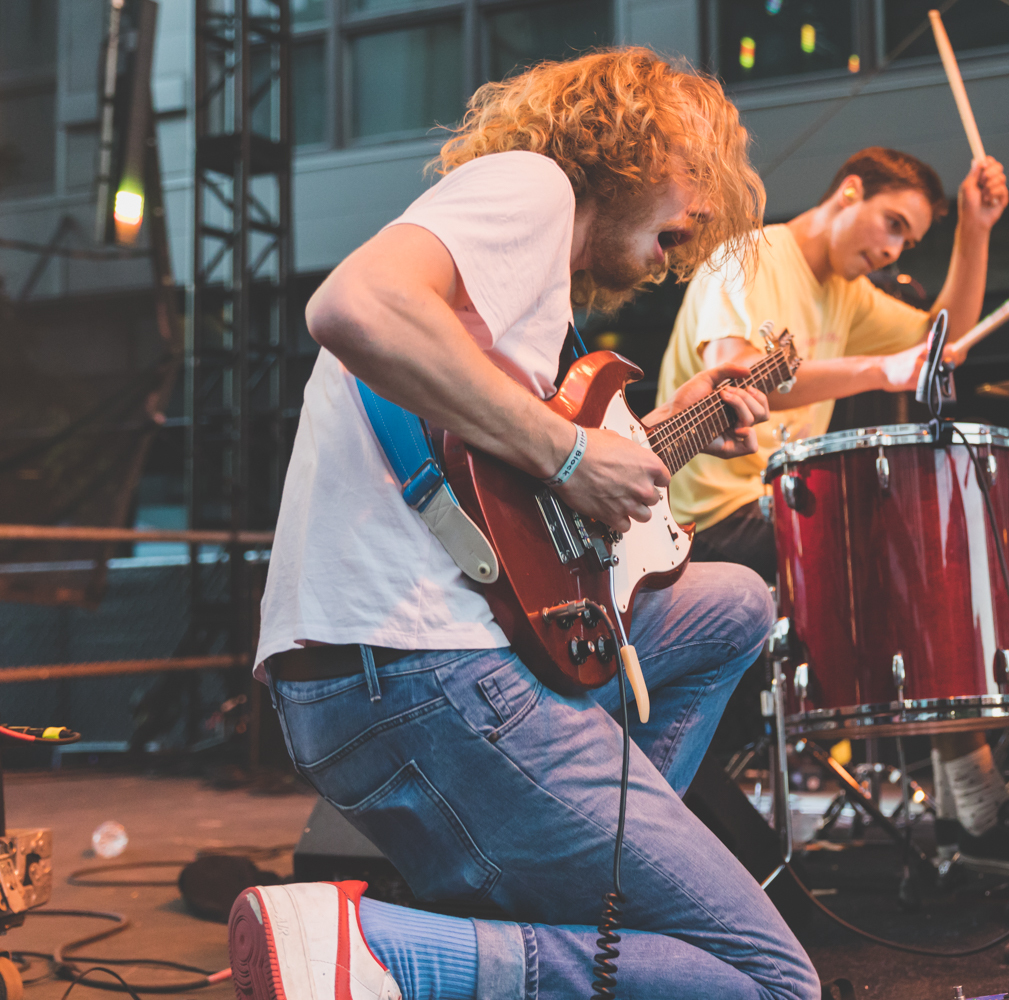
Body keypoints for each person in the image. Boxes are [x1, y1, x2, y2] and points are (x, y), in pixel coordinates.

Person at [227, 49, 830, 1000]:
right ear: (632, 141)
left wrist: (671, 424)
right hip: (424, 670)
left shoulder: (522, 304)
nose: (707, 209)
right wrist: (575, 457)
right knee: (770, 981)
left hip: (382, 673)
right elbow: (353, 303)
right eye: (696, 170)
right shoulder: (533, 185)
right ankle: (374, 950)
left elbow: (526, 505)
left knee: (734, 603)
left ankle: (575, 900)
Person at [656, 148, 1009, 875]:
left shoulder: (847, 292)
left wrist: (976, 227)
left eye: (908, 240)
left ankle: (964, 788)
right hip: (703, 523)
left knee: (919, 536)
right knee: (898, 543)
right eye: (891, 224)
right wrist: (878, 370)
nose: (893, 249)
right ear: (848, 192)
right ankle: (969, 789)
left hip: (781, 514)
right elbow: (745, 384)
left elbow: (945, 341)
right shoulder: (745, 257)